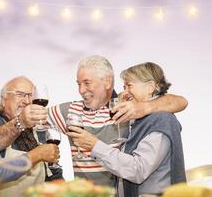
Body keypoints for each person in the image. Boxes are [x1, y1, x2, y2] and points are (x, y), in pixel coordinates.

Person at [47, 55, 188, 186]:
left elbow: (181, 102)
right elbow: (35, 119)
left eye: (87, 83)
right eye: (79, 84)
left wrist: (145, 107)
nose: (81, 90)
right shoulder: (72, 110)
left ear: (107, 82)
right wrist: (24, 117)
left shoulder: (130, 111)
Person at [0, 77, 63, 195]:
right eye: (20, 94)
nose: (27, 101)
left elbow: (51, 171)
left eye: (31, 95)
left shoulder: (38, 130)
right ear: (3, 100)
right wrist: (20, 122)